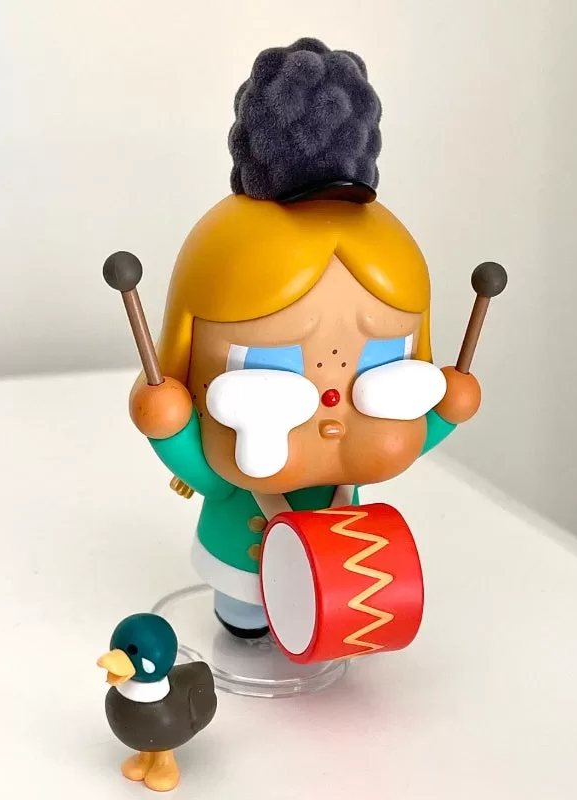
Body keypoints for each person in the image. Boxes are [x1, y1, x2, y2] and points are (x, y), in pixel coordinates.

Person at [128, 39, 481, 638]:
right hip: (242, 559)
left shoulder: (355, 456)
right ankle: (246, 618)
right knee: (243, 615)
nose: (330, 398)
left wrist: (447, 409)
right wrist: (166, 421)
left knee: (333, 625)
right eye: (272, 360)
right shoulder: (234, 454)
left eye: (381, 357)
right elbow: (204, 469)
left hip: (346, 580)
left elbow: (418, 432)